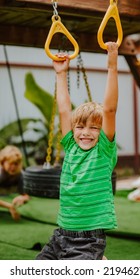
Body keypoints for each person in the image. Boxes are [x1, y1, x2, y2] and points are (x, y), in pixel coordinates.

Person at [36, 41, 119, 260]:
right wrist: (61, 74)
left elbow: (109, 109)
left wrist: (112, 64)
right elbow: (64, 111)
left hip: (88, 239)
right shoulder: (71, 146)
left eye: (94, 128)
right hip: (61, 234)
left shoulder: (103, 149)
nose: (86, 132)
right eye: (80, 127)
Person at [0, 145, 30, 220]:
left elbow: (27, 194)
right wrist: (9, 206)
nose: (13, 167)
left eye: (16, 164)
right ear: (3, 163)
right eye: (10, 163)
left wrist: (23, 198)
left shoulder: (20, 174)